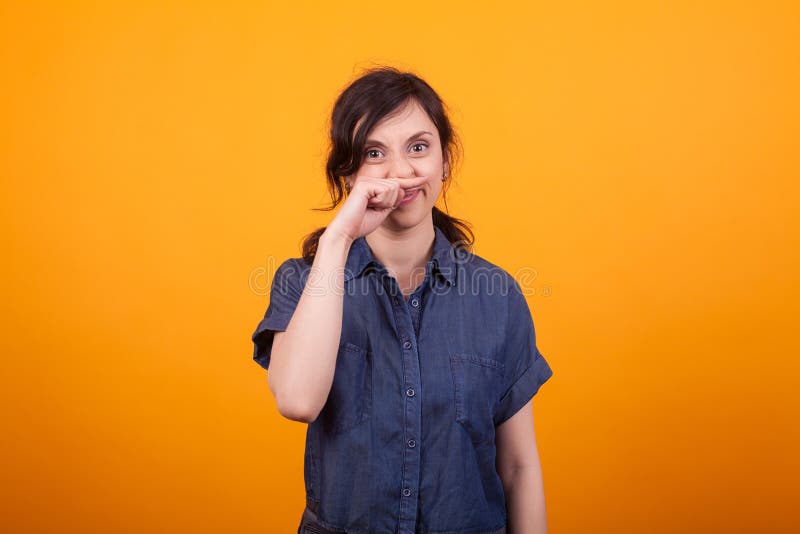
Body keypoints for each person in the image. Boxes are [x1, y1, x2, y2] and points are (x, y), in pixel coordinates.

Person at [251, 66, 553, 534]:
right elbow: (297, 400)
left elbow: (519, 468)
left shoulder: (499, 297)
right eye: (375, 153)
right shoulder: (302, 282)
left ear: (445, 160)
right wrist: (339, 239)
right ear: (348, 173)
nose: (402, 171)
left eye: (418, 147)